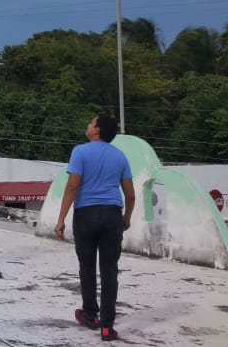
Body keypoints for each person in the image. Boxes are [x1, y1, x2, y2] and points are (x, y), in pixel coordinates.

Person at [54, 114, 135, 342]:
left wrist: (61, 219)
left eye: (91, 122)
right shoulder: (120, 156)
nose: (88, 125)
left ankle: (90, 315)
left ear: (97, 130)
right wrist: (126, 217)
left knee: (87, 265)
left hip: (86, 215)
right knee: (110, 270)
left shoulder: (80, 151)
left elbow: (72, 186)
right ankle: (107, 327)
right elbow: (130, 194)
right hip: (112, 215)